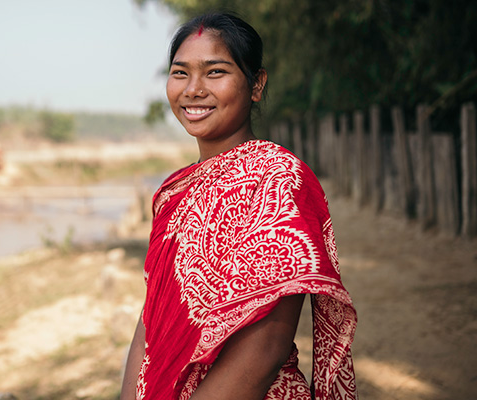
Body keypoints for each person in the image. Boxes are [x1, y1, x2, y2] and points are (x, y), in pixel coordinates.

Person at [120, 12, 357, 400]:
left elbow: (268, 343)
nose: (193, 89)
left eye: (215, 72)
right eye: (180, 73)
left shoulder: (277, 178)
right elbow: (154, 315)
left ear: (256, 84)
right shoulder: (171, 192)